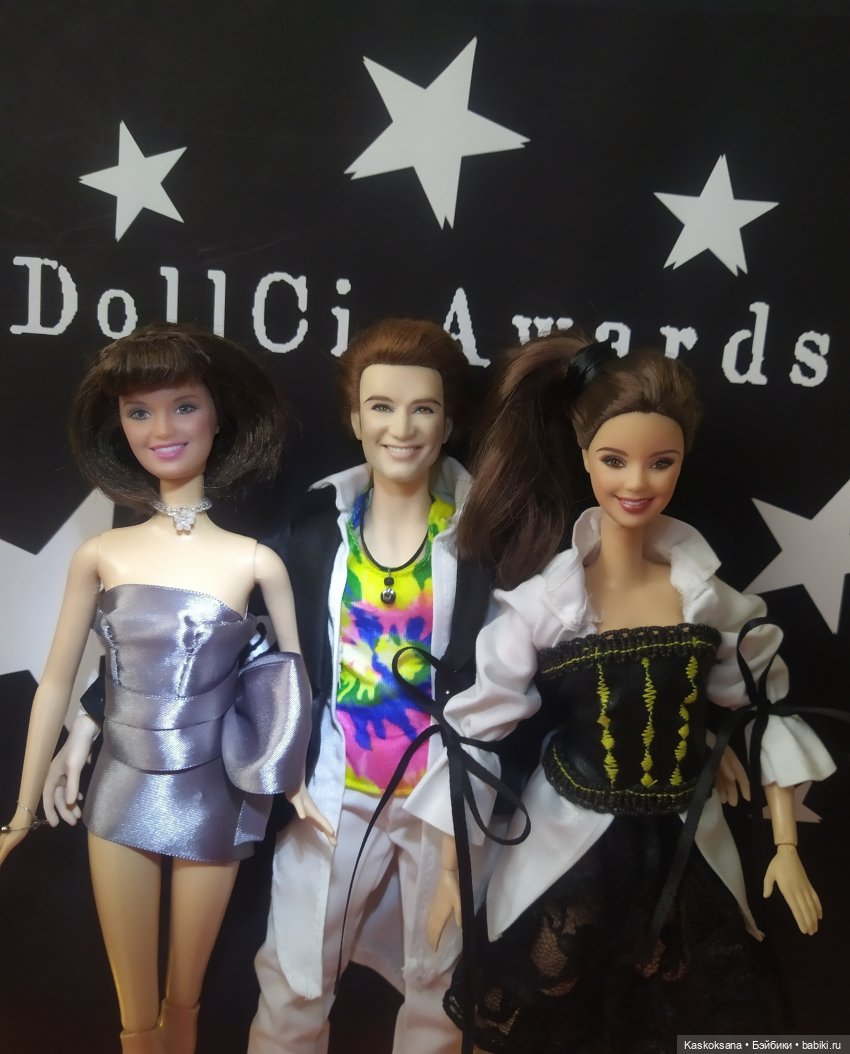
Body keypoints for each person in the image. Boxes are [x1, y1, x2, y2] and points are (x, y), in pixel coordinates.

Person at [431, 335, 836, 1052]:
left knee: (680, 1013)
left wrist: (784, 842)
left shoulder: (703, 595)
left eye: (662, 461)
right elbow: (476, 729)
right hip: (572, 833)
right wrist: (449, 871)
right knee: (555, 1012)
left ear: (683, 460)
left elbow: (763, 704)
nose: (638, 481)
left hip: (680, 842)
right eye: (615, 460)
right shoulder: (552, 600)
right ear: (584, 456)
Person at [0, 323, 332, 1054]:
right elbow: (57, 681)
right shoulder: (102, 553)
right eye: (138, 412)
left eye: (184, 406)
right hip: (120, 785)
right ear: (119, 426)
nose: (162, 430)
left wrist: (294, 782)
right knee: (134, 1012)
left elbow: (291, 680)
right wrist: (20, 811)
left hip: (215, 788)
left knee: (186, 998)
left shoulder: (254, 562)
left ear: (217, 415)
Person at [246, 317, 495, 1054]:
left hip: (440, 796)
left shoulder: (485, 539)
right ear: (355, 418)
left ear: (448, 421)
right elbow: (232, 630)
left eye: (424, 408)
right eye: (381, 406)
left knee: (442, 984)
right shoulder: (315, 532)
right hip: (334, 788)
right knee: (294, 973)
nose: (402, 428)